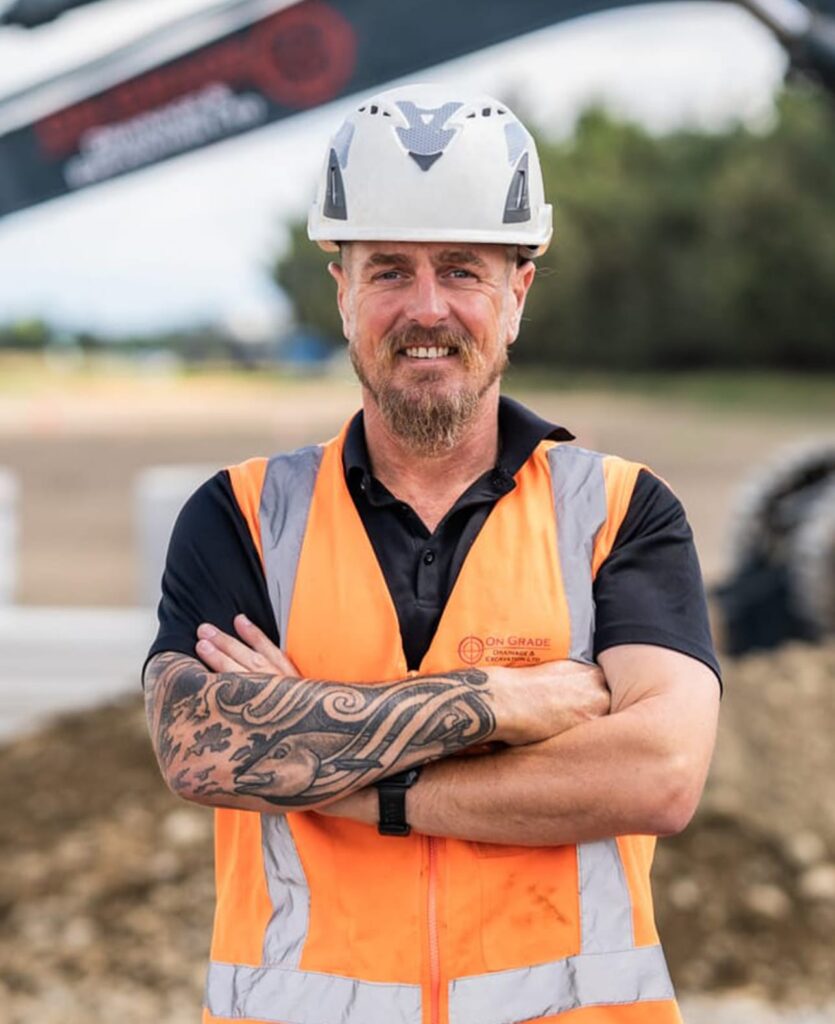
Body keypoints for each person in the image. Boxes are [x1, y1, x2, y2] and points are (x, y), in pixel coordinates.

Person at [143, 84, 721, 1024]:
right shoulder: (244, 515)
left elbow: (656, 772)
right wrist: (507, 703)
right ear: (340, 289)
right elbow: (203, 752)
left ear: (515, 292)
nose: (426, 308)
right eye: (387, 272)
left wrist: (351, 780)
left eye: (461, 269)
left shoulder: (619, 512)